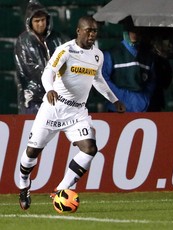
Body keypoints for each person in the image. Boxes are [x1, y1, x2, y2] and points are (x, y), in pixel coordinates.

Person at [18, 16, 126, 210]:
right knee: (32, 152)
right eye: (88, 31)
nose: (92, 34)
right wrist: (50, 88)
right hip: (53, 109)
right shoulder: (66, 51)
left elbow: (98, 79)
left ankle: (60, 190)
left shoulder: (97, 55)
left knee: (90, 149)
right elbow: (48, 72)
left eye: (95, 31)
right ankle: (24, 184)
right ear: (79, 31)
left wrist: (114, 99)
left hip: (76, 113)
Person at [14, 0, 67, 114]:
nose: (41, 24)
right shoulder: (23, 41)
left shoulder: (57, 38)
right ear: (30, 22)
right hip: (34, 99)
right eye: (37, 21)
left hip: (58, 96)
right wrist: (52, 79)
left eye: (43, 20)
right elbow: (30, 71)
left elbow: (66, 62)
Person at [102, 24, 156, 112]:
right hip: (116, 110)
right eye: (132, 30)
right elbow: (103, 79)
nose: (135, 34)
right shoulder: (111, 54)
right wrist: (122, 98)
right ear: (126, 31)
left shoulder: (148, 56)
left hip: (141, 110)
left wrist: (143, 99)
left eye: (138, 30)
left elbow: (152, 81)